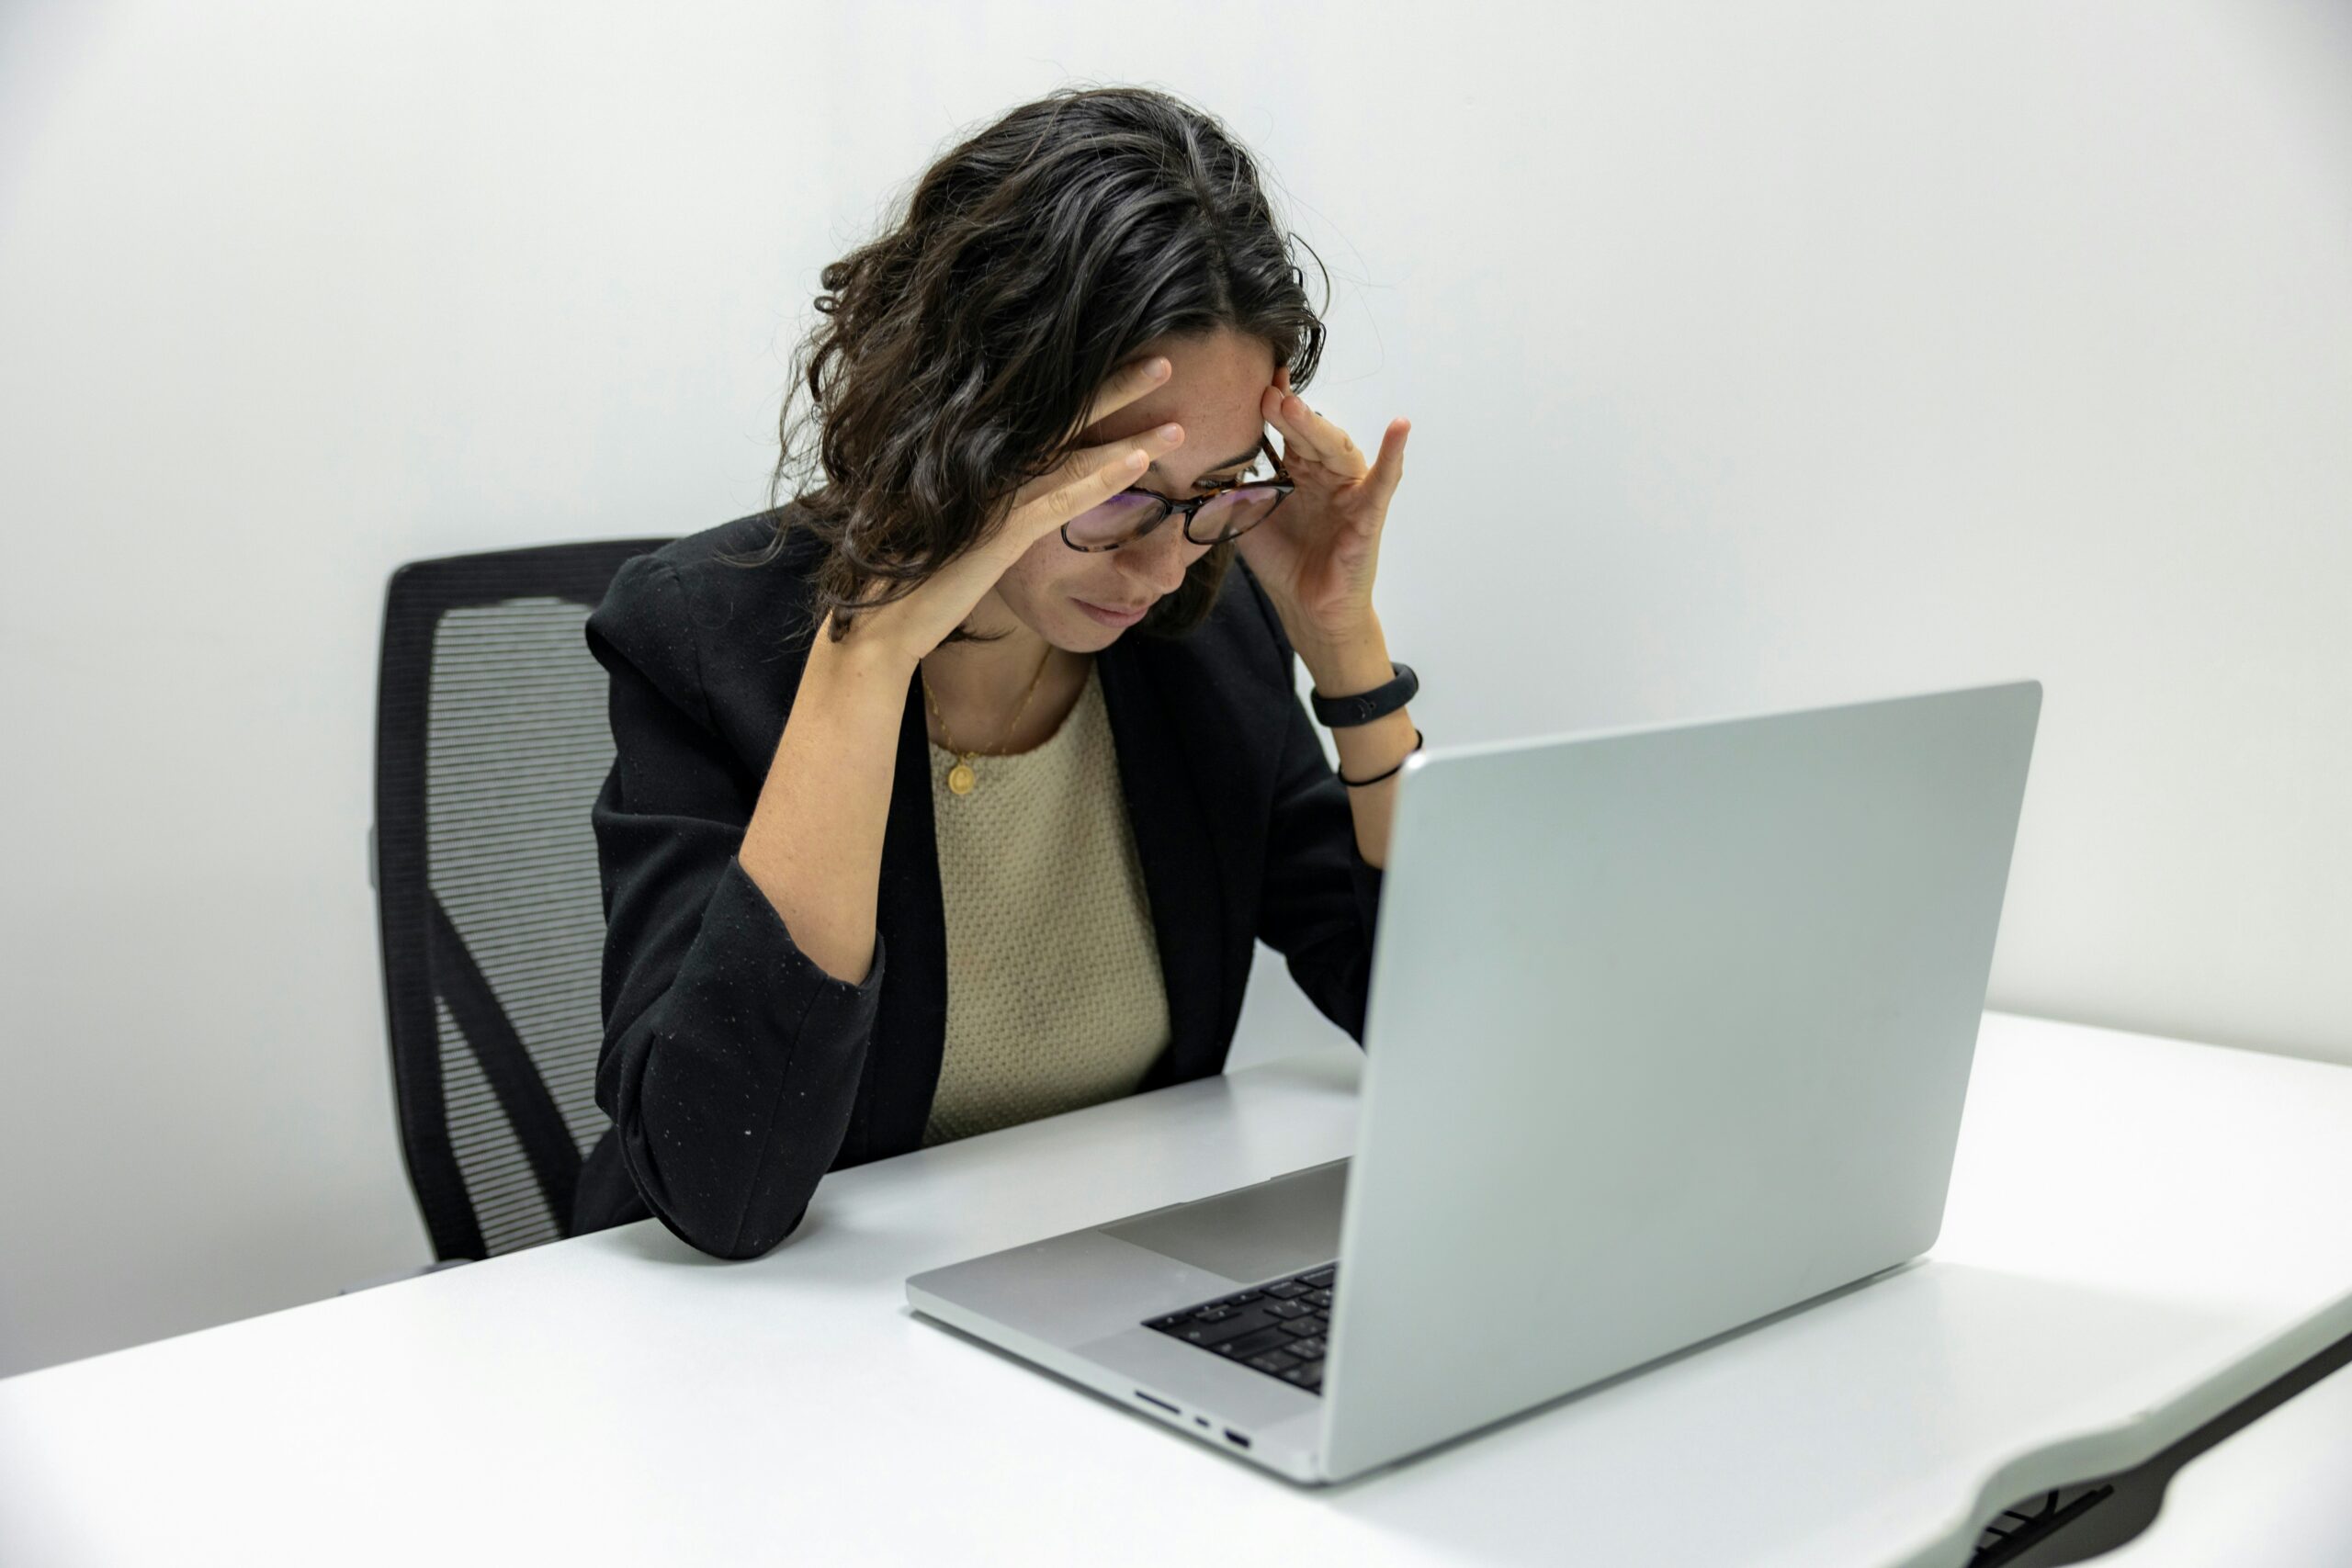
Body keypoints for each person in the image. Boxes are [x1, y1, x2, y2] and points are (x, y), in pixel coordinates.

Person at [570, 85, 1419, 1258]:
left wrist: (1346, 654)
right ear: (962, 421)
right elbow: (723, 1188)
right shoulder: (705, 639)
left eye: (1217, 491)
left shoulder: (1200, 642)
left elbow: (1440, 1026)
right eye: (1115, 489)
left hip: (1089, 1292)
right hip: (761, 1354)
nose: (1163, 563)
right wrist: (867, 660)